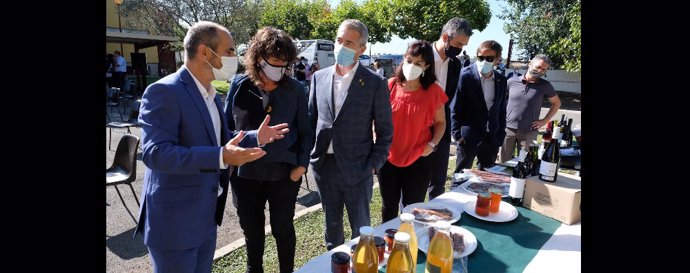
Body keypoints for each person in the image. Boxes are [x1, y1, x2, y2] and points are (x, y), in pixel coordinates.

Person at [135, 21, 290, 273]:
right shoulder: (163, 91)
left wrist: (255, 137)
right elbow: (156, 154)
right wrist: (221, 156)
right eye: (229, 51)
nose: (235, 58)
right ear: (205, 52)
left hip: (205, 218)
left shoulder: (209, 93)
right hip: (175, 225)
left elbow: (217, 138)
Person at [223, 26, 314, 273]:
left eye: (284, 65)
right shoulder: (240, 86)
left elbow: (306, 132)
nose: (280, 70)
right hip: (245, 177)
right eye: (274, 63)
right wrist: (251, 140)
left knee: (282, 228)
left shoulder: (295, 89)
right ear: (258, 58)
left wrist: (300, 167)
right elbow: (223, 133)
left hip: (283, 176)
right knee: (252, 233)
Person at [308, 19, 393, 250]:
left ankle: (363, 262)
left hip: (359, 169)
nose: (341, 46)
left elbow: (385, 132)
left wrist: (373, 165)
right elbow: (311, 120)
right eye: (338, 40)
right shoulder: (319, 77)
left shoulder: (375, 83)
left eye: (349, 42)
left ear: (361, 49)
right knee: (331, 227)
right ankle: (335, 262)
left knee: (361, 229)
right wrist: (312, 156)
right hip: (324, 167)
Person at [378, 41, 447, 222]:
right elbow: (375, 119)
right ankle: (389, 242)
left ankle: (408, 244)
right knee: (388, 205)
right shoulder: (390, 85)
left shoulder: (433, 91)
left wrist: (432, 145)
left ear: (427, 67)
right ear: (403, 60)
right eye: (409, 60)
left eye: (418, 63)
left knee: (412, 207)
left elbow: (441, 123)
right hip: (388, 158)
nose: (411, 66)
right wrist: (376, 143)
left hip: (419, 158)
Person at [427, 17, 473, 200]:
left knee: (438, 182)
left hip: (441, 129)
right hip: (417, 130)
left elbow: (449, 100)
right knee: (413, 183)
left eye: (464, 45)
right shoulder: (421, 56)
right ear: (445, 37)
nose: (460, 49)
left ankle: (435, 216)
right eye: (458, 44)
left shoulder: (455, 64)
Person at [450, 40, 508, 173]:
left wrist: (500, 134)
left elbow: (501, 109)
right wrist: (458, 135)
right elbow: (455, 108)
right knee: (461, 176)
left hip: (491, 137)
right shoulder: (465, 76)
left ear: (498, 60)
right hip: (468, 138)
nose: (484, 61)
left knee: (486, 178)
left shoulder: (501, 80)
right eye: (481, 57)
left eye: (489, 58)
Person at [498, 54, 561, 163]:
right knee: (504, 163)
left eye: (544, 69)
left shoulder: (545, 86)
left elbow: (556, 103)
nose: (540, 70)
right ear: (530, 64)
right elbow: (499, 101)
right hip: (508, 129)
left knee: (526, 163)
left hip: (529, 132)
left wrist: (544, 121)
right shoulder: (511, 82)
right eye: (538, 66)